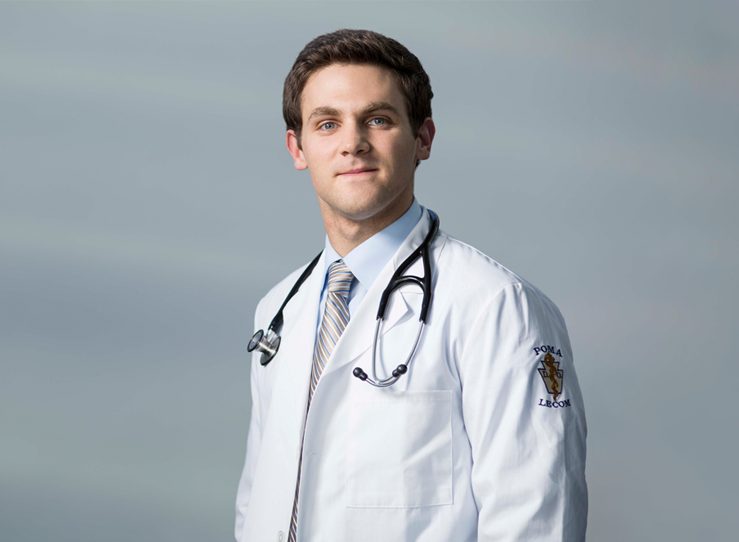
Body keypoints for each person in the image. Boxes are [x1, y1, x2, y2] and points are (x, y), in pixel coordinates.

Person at [235, 29, 587, 542]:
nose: (352, 142)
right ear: (299, 147)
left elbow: (536, 520)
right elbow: (257, 504)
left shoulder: (495, 307)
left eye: (377, 119)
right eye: (327, 123)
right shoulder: (278, 310)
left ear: (423, 138)